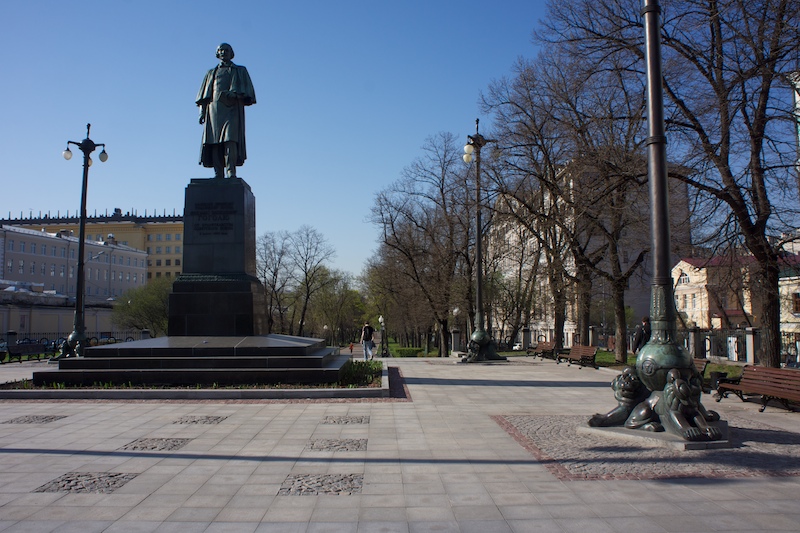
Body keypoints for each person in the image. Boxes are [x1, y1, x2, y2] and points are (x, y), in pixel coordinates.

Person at [196, 43, 256, 179]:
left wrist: (236, 95)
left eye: (226, 50)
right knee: (215, 142)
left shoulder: (239, 70)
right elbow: (203, 97)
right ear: (217, 53)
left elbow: (249, 93)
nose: (224, 52)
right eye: (221, 50)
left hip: (232, 109)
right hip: (214, 110)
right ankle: (218, 173)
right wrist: (201, 112)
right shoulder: (211, 72)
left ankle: (231, 172)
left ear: (231, 52)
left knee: (230, 140)